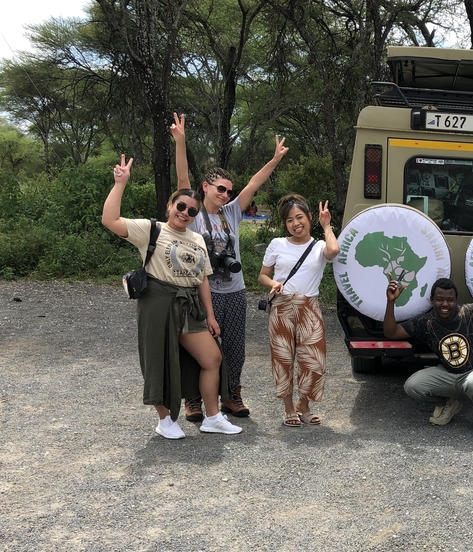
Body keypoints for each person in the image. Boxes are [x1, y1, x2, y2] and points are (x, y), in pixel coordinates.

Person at [101, 155, 242, 439]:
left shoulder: (197, 239)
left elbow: (203, 279)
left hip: (189, 304)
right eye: (181, 206)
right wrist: (120, 183)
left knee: (212, 358)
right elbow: (109, 220)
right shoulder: (151, 229)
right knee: (159, 360)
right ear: (170, 205)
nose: (185, 213)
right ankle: (164, 420)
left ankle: (212, 417)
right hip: (158, 302)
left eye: (192, 211)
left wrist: (210, 316)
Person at [171, 113, 289, 421]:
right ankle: (193, 399)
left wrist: (275, 159)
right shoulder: (193, 213)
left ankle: (232, 395)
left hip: (234, 290)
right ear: (205, 186)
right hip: (201, 290)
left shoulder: (232, 212)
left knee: (235, 347)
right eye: (220, 189)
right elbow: (182, 181)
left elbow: (254, 184)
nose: (225, 194)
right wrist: (180, 142)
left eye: (228, 191)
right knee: (199, 348)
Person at [382, 269, 473, 438]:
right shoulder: (425, 322)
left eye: (450, 300)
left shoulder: (471, 312)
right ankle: (448, 403)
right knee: (412, 386)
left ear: (456, 300)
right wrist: (390, 302)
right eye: (440, 299)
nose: (445, 304)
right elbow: (391, 332)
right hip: (450, 374)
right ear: (431, 300)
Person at [258, 195, 340, 427]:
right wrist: (272, 283)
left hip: (309, 307)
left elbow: (334, 250)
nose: (295, 223)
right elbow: (262, 275)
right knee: (282, 359)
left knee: (314, 360)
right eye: (289, 220)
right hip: (281, 307)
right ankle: (288, 409)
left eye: (299, 217)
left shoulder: (320, 246)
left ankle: (303, 405)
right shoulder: (277, 244)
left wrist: (326, 225)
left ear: (309, 217)